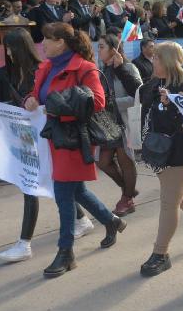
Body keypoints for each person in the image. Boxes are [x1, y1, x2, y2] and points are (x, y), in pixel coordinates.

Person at [23, 22, 127, 278]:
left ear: (61, 42)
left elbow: (98, 101)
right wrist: (30, 99)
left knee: (63, 194)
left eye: (47, 39)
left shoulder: (84, 67)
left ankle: (65, 252)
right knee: (76, 190)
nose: (43, 44)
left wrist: (58, 104)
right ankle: (112, 221)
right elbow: (36, 94)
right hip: (52, 137)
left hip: (73, 138)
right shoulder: (47, 68)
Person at [0, 29, 96, 262]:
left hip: (45, 137)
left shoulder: (43, 70)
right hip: (19, 139)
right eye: (5, 48)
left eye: (11, 48)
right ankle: (90, 220)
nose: (8, 53)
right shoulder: (2, 74)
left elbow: (63, 100)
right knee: (52, 186)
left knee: (46, 187)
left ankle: (25, 244)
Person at [137, 42, 183, 276]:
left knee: (169, 201)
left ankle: (161, 254)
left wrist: (170, 106)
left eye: (157, 58)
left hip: (179, 154)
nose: (153, 61)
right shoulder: (152, 85)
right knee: (182, 194)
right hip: (157, 152)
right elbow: (143, 107)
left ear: (168, 61)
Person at [96, 33, 143, 216]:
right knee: (103, 162)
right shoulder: (102, 69)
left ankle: (126, 199)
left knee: (126, 161)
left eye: (102, 47)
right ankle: (128, 190)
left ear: (114, 49)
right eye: (98, 46)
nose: (98, 50)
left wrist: (113, 103)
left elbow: (138, 95)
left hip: (125, 122)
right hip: (107, 124)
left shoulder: (128, 67)